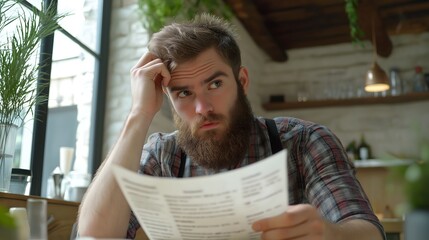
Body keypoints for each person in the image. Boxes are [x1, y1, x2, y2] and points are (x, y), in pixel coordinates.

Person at [78, 14, 386, 240]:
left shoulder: (305, 141)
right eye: (184, 93)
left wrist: (330, 235)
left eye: (214, 84)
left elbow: (366, 230)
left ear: (242, 82)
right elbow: (94, 235)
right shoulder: (163, 156)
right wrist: (138, 114)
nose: (202, 108)